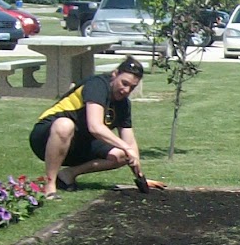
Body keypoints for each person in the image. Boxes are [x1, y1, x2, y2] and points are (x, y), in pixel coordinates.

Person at [30, 57, 151, 195]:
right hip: (45, 138)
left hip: (79, 143)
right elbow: (95, 127)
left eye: (132, 87)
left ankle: (67, 175)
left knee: (122, 155)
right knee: (65, 125)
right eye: (124, 83)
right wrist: (126, 147)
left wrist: (140, 177)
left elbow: (130, 144)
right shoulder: (97, 85)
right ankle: (50, 185)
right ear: (115, 74)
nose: (126, 90)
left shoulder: (123, 105)